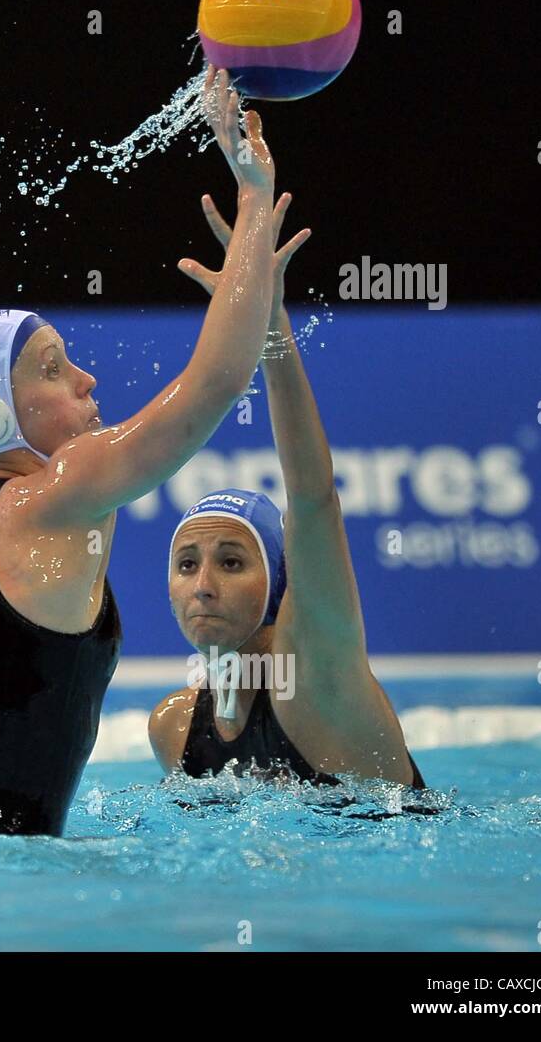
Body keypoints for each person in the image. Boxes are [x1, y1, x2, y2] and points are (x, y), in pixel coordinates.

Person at [0, 68, 297, 841]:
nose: (85, 379)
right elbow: (214, 388)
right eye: (52, 370)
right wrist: (252, 201)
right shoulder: (56, 495)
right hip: (0, 888)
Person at [148, 192, 426, 790]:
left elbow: (312, 497)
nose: (202, 585)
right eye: (187, 563)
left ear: (281, 579)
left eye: (231, 562)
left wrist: (269, 323)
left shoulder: (321, 680)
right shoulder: (173, 728)